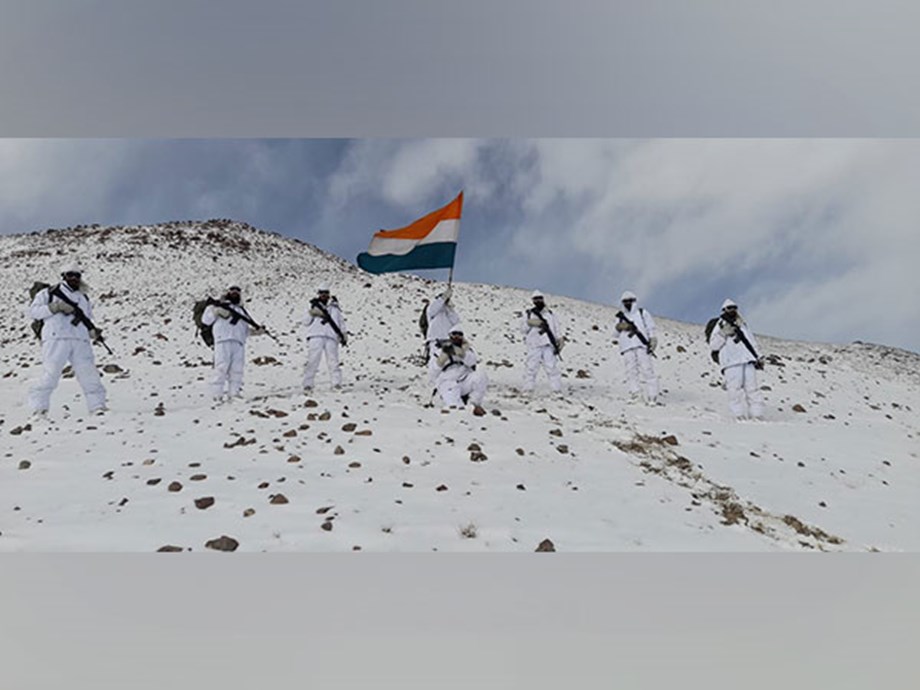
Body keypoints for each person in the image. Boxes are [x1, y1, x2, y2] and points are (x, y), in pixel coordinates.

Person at [28, 261, 108, 418]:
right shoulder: (48, 293)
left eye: (77, 275)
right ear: (63, 276)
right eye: (70, 275)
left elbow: (86, 319)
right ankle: (38, 409)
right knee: (50, 374)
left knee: (89, 375)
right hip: (56, 338)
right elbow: (34, 312)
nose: (74, 278)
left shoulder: (83, 297)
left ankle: (97, 406)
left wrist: (93, 333)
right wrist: (55, 307)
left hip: (80, 340)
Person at [201, 284, 265, 404]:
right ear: (228, 292)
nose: (235, 292)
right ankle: (216, 395)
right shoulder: (216, 305)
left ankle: (234, 394)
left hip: (238, 343)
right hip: (222, 340)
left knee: (237, 370)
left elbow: (245, 331)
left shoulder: (242, 311)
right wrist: (215, 311)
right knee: (221, 368)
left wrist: (257, 332)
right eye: (232, 290)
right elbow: (206, 320)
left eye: (237, 291)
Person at [708, 298, 765, 421]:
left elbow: (751, 342)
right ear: (724, 310)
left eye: (734, 307)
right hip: (731, 362)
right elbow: (713, 345)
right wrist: (723, 334)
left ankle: (757, 414)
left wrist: (758, 356)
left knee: (752, 388)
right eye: (729, 308)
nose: (732, 310)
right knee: (734, 389)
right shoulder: (720, 325)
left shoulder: (742, 324)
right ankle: (738, 414)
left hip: (747, 359)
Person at [614, 290, 660, 405]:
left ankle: (652, 396)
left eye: (630, 301)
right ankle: (636, 394)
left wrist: (652, 340)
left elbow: (650, 328)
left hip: (641, 345)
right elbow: (614, 334)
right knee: (631, 372)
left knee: (647, 370)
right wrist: (620, 327)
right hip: (627, 346)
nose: (628, 303)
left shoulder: (642, 313)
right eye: (625, 301)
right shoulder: (620, 317)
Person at [435, 324, 488, 415]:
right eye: (454, 334)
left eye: (459, 334)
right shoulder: (440, 351)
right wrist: (443, 358)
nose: (456, 337)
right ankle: (465, 409)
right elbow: (433, 371)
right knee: (455, 408)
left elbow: (472, 362)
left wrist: (462, 354)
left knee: (481, 375)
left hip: (465, 379)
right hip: (447, 382)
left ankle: (473, 403)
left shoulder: (467, 350)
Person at [303, 284, 347, 391]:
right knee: (313, 360)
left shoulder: (335, 307)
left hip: (331, 336)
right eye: (321, 292)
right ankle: (308, 384)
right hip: (316, 335)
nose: (323, 295)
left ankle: (336, 383)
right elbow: (305, 322)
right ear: (318, 293)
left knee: (333, 361)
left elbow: (340, 322)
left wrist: (343, 334)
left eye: (326, 292)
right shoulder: (313, 305)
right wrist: (311, 313)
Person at [520, 289, 564, 395]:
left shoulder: (550, 314)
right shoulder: (529, 314)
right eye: (536, 299)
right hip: (534, 344)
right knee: (531, 367)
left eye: (540, 298)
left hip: (548, 344)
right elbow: (523, 330)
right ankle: (528, 389)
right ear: (533, 301)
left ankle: (556, 390)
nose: (538, 301)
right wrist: (531, 323)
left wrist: (560, 340)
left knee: (551, 367)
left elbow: (556, 328)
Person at [424, 285, 461, 384]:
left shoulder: (448, 311)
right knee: (434, 361)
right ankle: (433, 380)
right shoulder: (432, 310)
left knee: (447, 360)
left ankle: (445, 379)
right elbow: (433, 309)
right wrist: (443, 297)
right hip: (435, 340)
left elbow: (456, 320)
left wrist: (449, 308)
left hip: (447, 340)